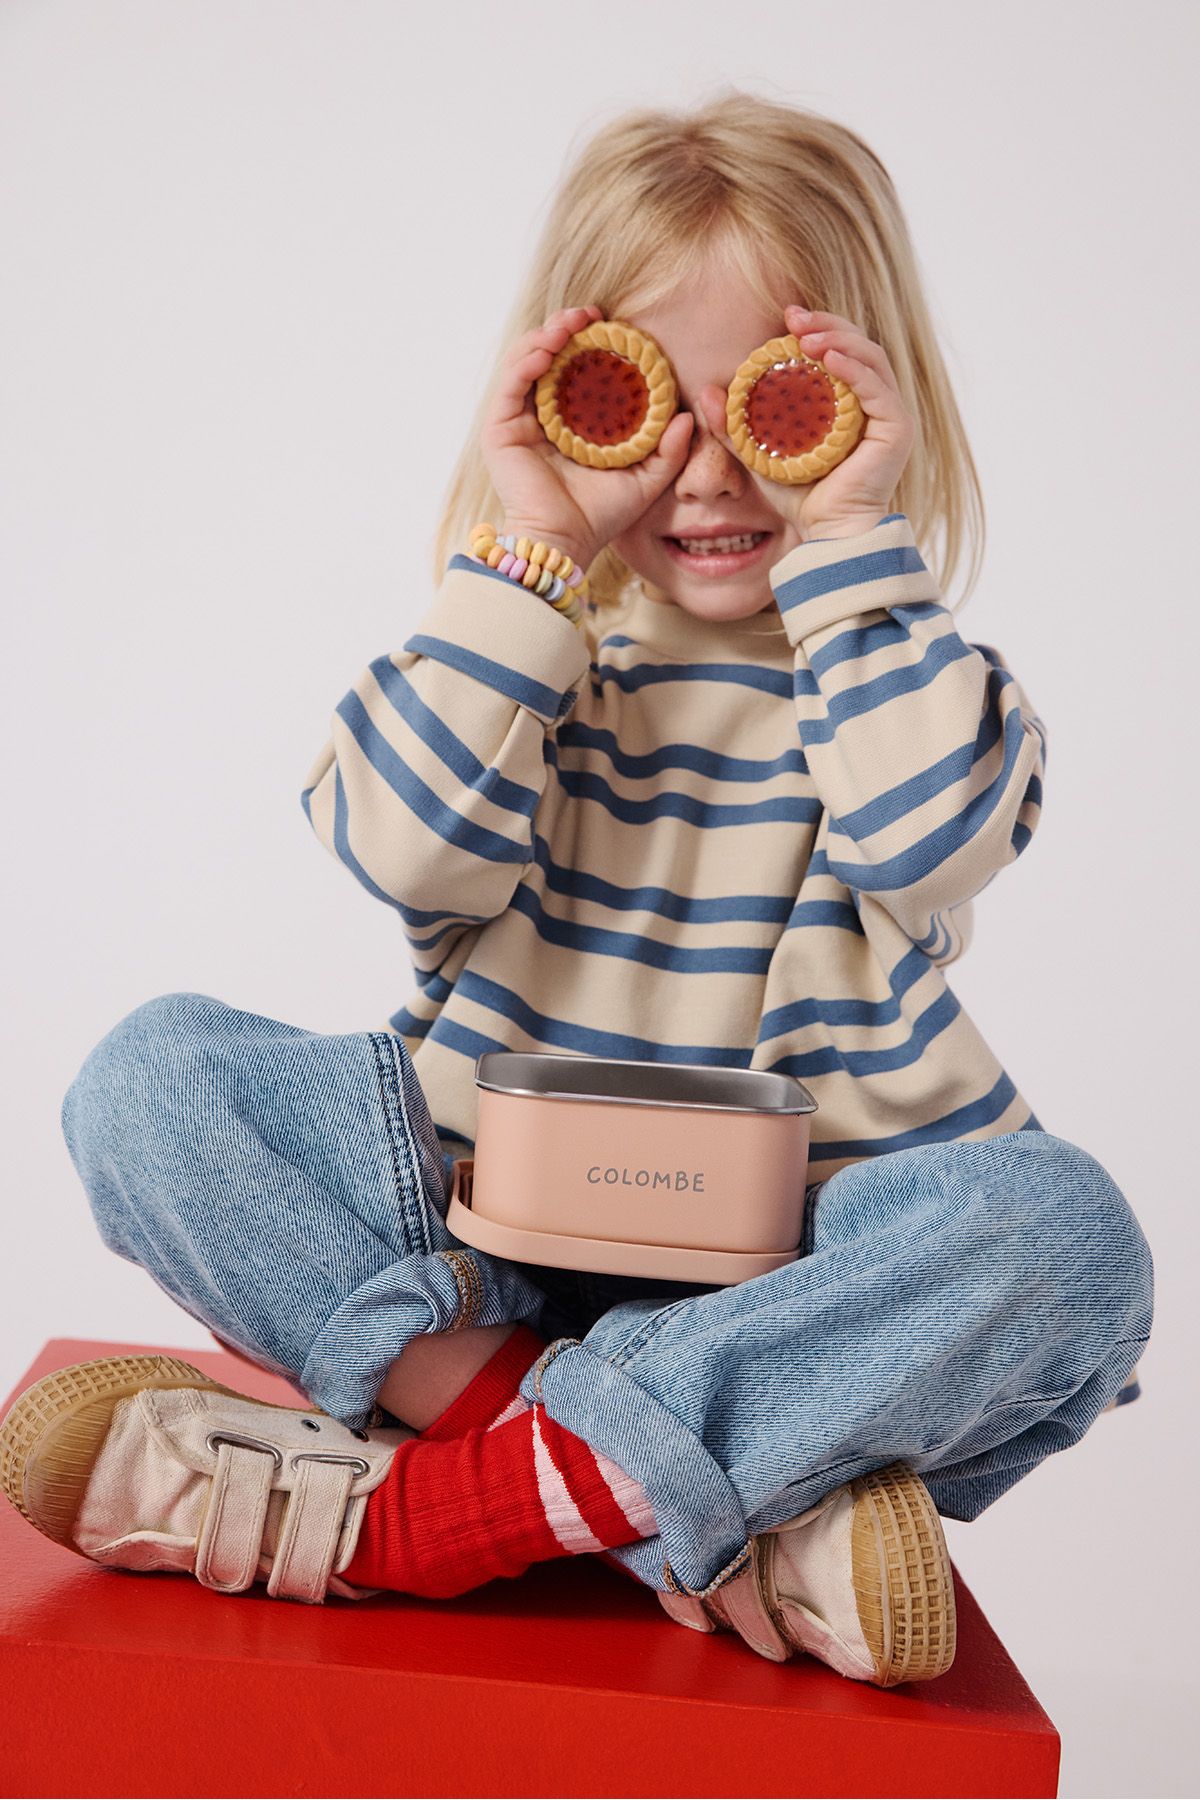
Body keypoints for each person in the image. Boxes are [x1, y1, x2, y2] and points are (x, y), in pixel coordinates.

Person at [0, 92, 1152, 1690]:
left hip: (794, 1278)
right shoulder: (527, 659)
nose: (708, 472)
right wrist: (534, 552)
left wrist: (847, 546)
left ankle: (433, 1510)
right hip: (483, 1241)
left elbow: (924, 843)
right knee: (148, 1080)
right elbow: (404, 844)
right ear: (562, 404)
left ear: (867, 408)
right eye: (644, 407)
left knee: (1068, 1238)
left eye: (777, 404)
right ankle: (664, 1495)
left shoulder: (906, 682)